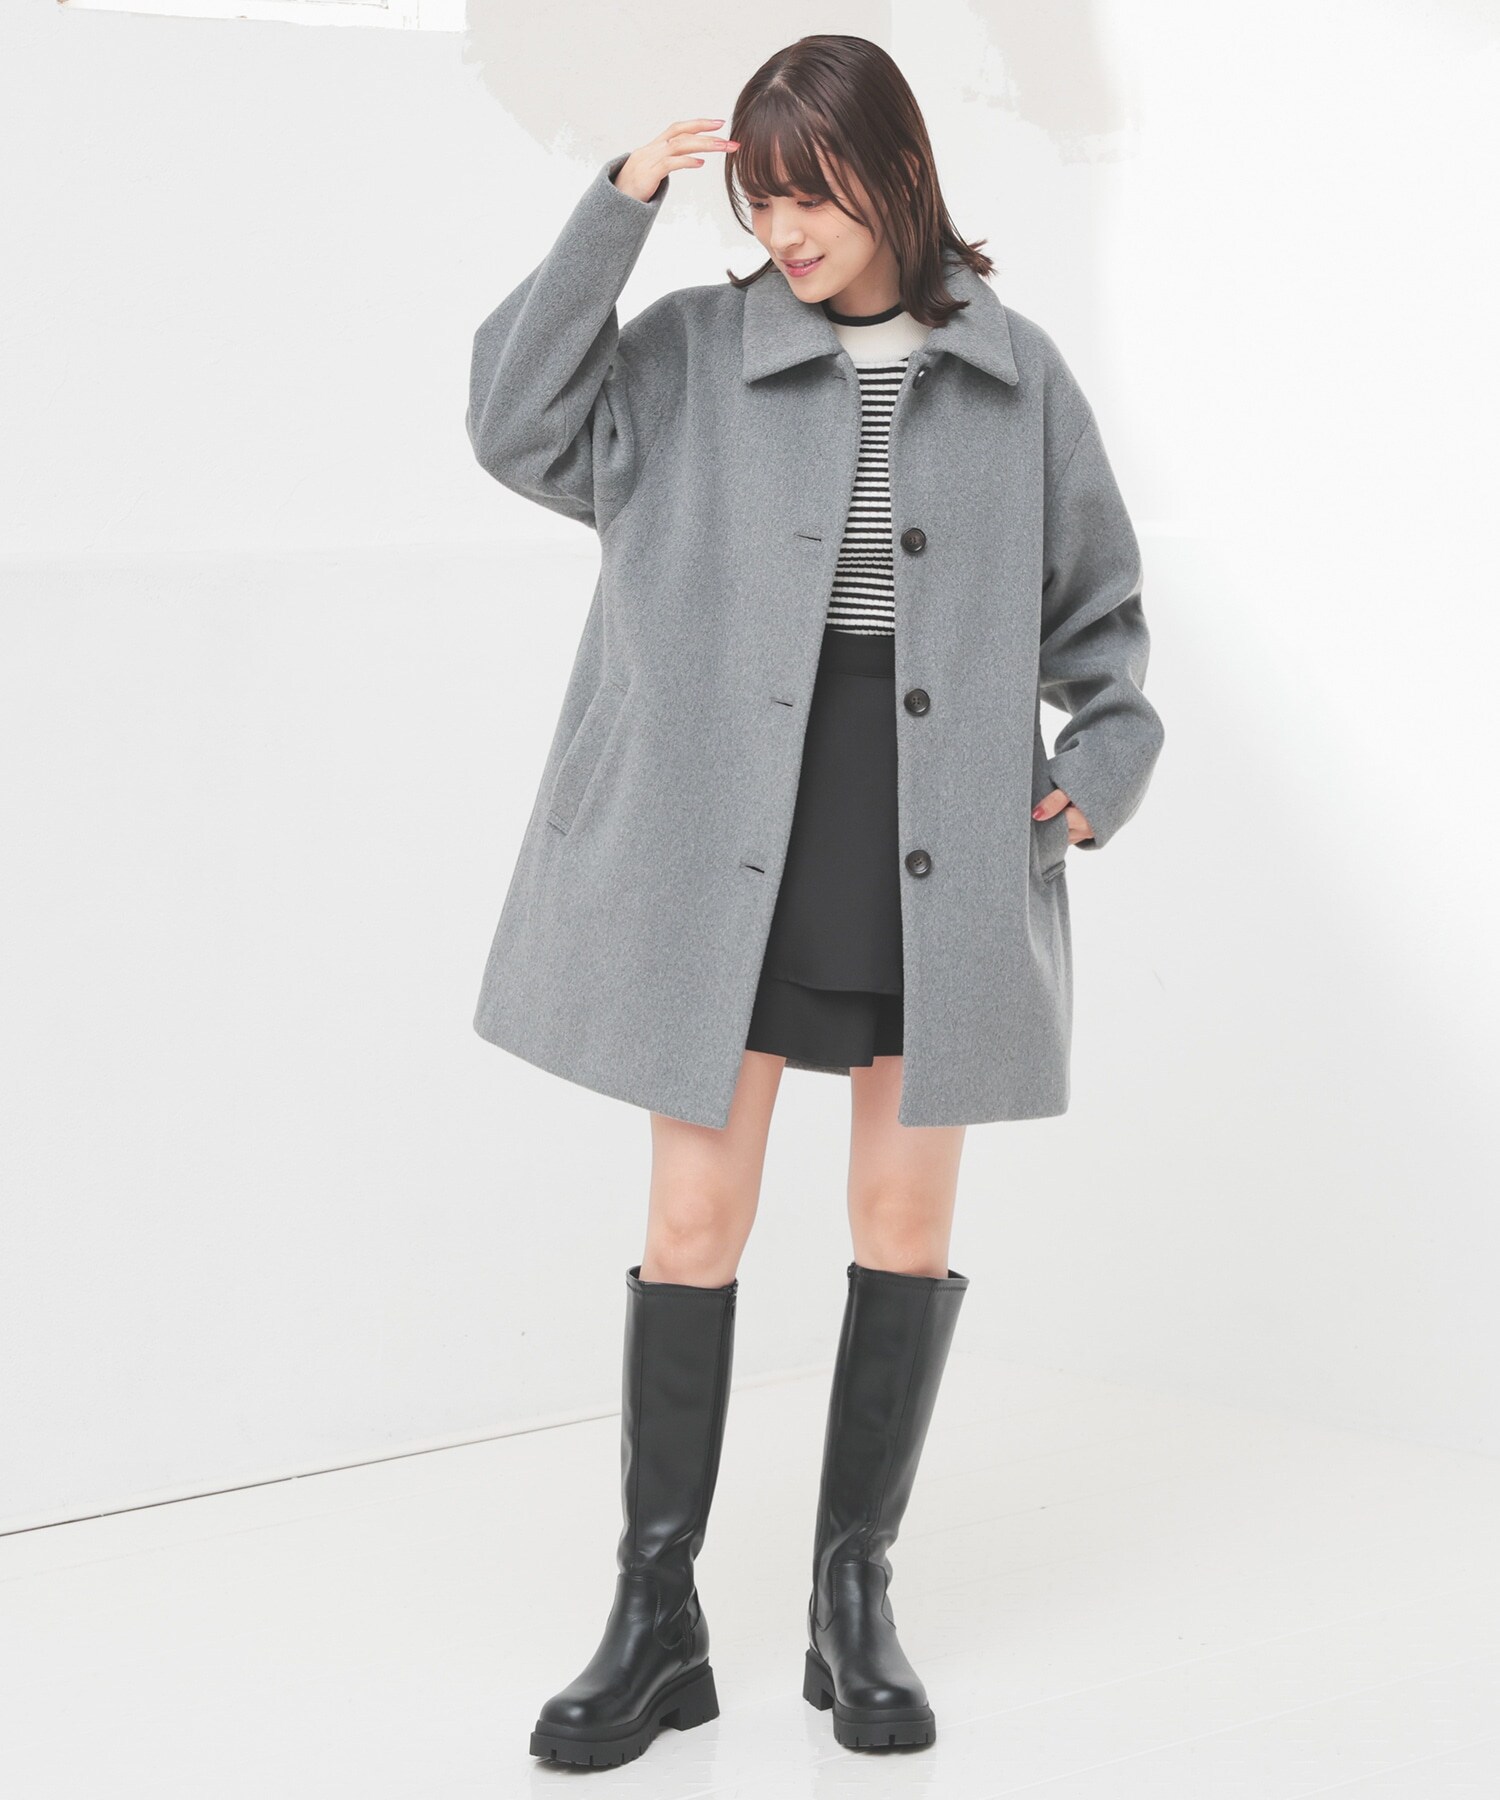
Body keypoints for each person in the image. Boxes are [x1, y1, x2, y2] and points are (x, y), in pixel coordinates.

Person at [466, 35, 1164, 1770]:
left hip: (931, 828)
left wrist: (1107, 762)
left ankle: (855, 1596)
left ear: (895, 172)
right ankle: (655, 1611)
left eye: (811, 195)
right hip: (723, 831)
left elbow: (1103, 624)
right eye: (758, 200)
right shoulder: (687, 355)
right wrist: (619, 208)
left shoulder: (1017, 374)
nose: (780, 231)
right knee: (695, 1218)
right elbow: (515, 423)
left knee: (901, 1219)